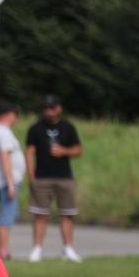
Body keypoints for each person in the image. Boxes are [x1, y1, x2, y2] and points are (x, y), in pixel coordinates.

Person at [25, 93, 84, 263]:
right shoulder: (35, 128)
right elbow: (29, 152)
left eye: (52, 108)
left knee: (67, 213)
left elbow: (78, 150)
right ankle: (37, 249)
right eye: (46, 108)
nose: (49, 111)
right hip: (42, 177)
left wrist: (64, 151)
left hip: (64, 177)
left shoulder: (68, 127)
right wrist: (31, 176)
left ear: (59, 108)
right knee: (40, 214)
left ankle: (68, 248)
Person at [0, 102, 26, 259]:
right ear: (9, 114)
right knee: (7, 214)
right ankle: (2, 250)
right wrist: (10, 183)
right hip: (8, 180)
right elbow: (5, 156)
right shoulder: (3, 133)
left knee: (7, 212)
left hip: (0, 178)